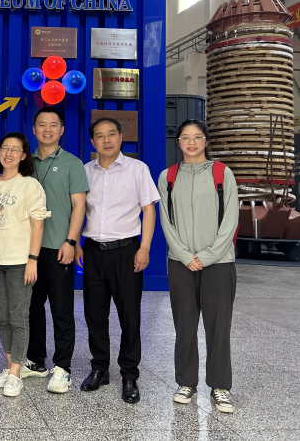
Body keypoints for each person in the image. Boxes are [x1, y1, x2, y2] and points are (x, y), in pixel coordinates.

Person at [76, 117, 160, 404]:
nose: (106, 140)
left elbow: (149, 210)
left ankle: (129, 374)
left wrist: (144, 247)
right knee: (94, 314)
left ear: (121, 137)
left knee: (130, 315)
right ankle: (100, 368)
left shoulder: (138, 169)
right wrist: (75, 243)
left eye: (111, 134)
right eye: (100, 135)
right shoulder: (85, 171)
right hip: (92, 251)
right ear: (93, 141)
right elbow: (78, 210)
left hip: (127, 251)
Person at [158, 120, 238, 413]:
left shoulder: (222, 173)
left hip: (219, 262)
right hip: (180, 262)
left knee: (219, 326)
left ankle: (220, 387)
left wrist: (207, 256)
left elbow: (230, 220)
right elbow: (166, 220)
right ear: (178, 142)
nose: (191, 142)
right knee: (184, 324)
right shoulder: (168, 177)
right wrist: (182, 254)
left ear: (206, 141)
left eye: (197, 137)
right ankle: (186, 382)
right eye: (185, 137)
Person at [24, 106, 89, 394]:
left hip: (59, 248)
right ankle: (36, 361)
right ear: (34, 129)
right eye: (42, 124)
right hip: (28, 250)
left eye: (53, 125)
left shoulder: (73, 164)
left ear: (62, 130)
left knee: (61, 310)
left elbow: (79, 206)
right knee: (31, 308)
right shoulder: (25, 162)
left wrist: (71, 241)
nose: (47, 129)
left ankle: (62, 367)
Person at [0, 132, 48, 398]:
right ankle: (13, 366)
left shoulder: (30, 185)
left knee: (19, 318)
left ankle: (15, 373)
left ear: (24, 156)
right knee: (2, 317)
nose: (8, 153)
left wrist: (33, 260)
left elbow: (38, 225)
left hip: (20, 261)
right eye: (4, 148)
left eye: (15, 149)